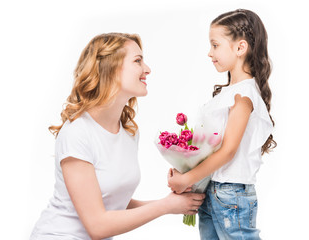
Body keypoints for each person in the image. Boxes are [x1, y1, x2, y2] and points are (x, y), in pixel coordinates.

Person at [30, 32, 205, 240]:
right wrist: (165, 206)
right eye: (138, 61)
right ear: (111, 69)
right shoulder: (77, 132)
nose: (147, 69)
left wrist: (174, 204)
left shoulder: (129, 132)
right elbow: (98, 226)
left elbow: (113, 201)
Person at [167, 9, 276, 239]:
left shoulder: (244, 95)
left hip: (231, 194)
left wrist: (188, 178)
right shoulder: (229, 94)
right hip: (213, 190)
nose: (209, 52)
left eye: (215, 45)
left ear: (240, 48)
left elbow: (228, 151)